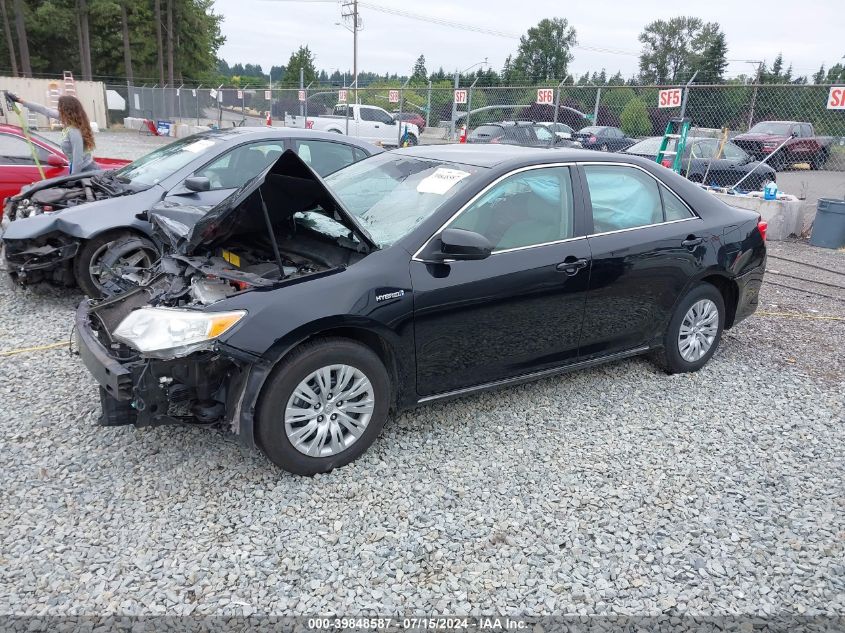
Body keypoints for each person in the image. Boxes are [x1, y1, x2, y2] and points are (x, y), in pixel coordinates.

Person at [7, 93, 96, 174]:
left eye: (60, 108)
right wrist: (20, 101)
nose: (58, 110)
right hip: (80, 169)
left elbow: (78, 160)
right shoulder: (67, 120)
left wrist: (72, 178)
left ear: (67, 111)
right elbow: (44, 110)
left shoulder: (74, 131)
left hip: (85, 171)